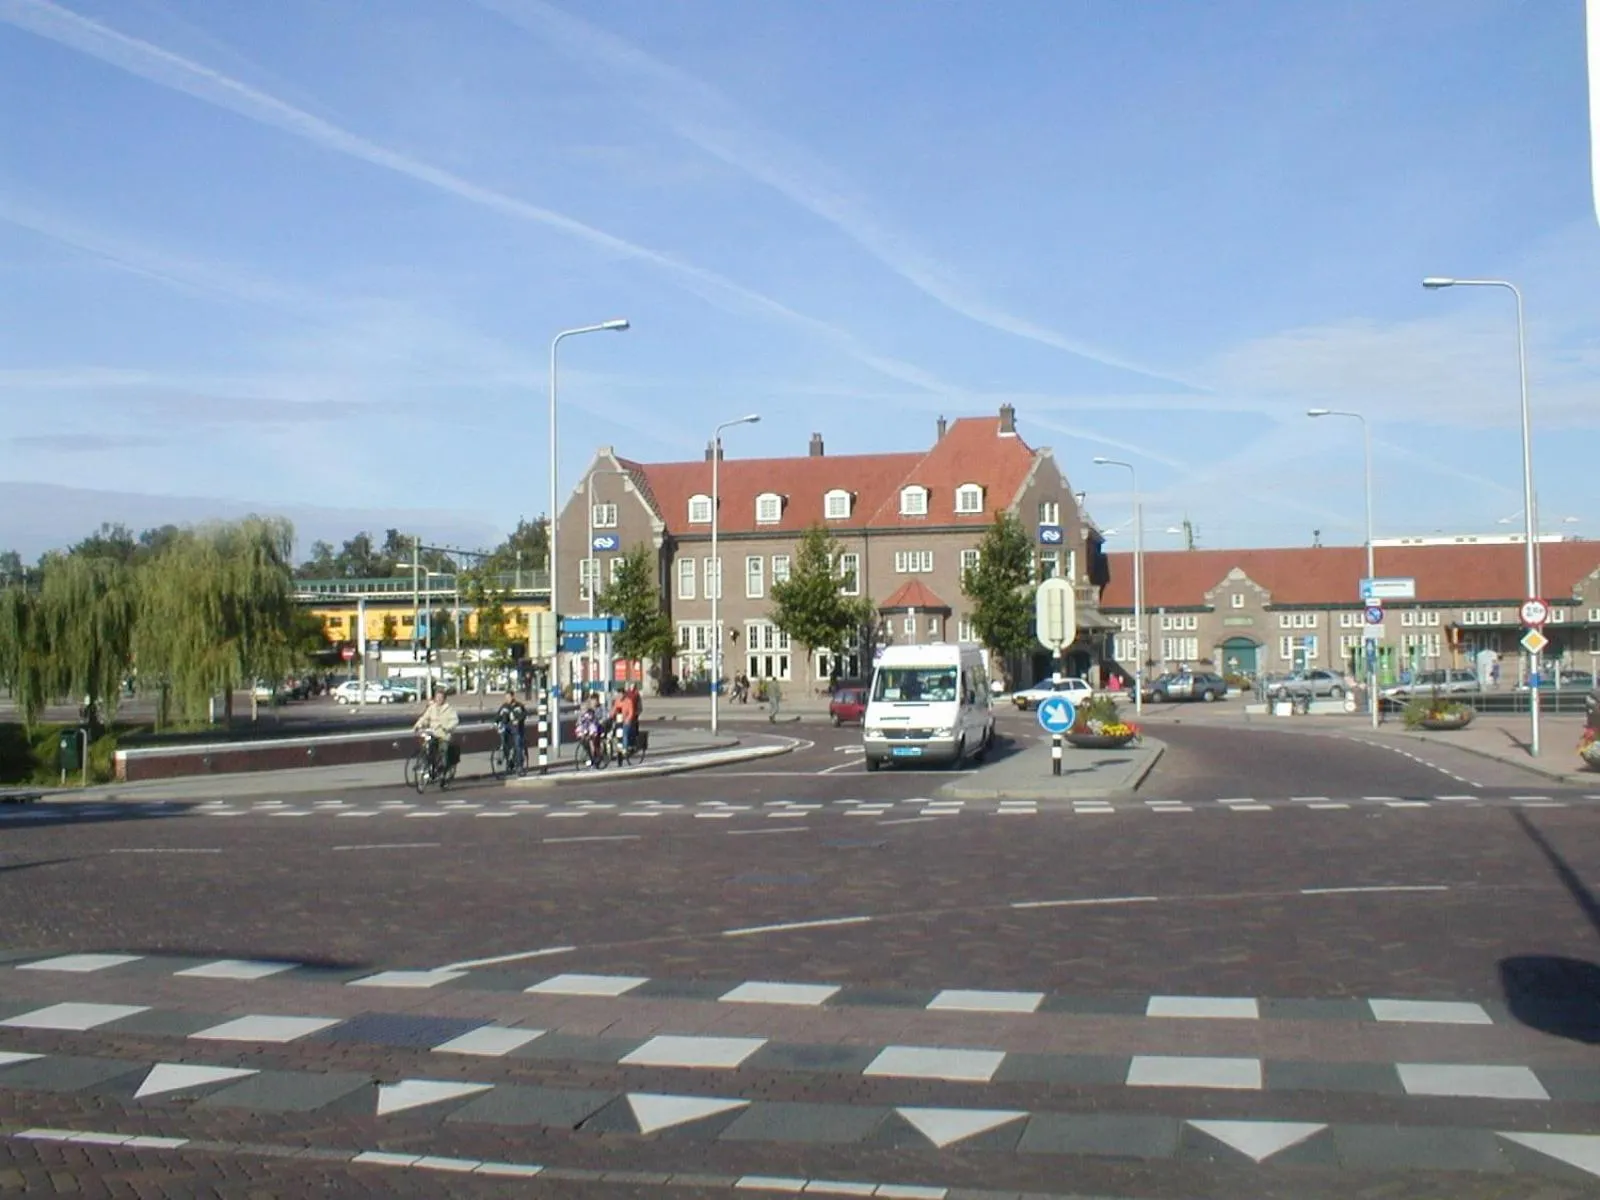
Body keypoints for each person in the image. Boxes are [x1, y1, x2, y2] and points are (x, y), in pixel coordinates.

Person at [412, 686, 460, 775]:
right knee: (427, 746)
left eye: (440, 698)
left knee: (443, 750)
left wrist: (446, 727)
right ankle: (425, 764)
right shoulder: (432, 708)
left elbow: (455, 721)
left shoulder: (449, 709)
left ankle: (443, 769)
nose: (438, 700)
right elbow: (425, 718)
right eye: (437, 698)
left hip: (444, 735)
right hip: (433, 733)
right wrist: (418, 725)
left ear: (444, 699)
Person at [494, 690, 527, 773]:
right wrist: (495, 722)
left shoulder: (519, 706)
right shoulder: (504, 706)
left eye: (508, 697)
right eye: (506, 697)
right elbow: (498, 716)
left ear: (513, 697)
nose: (507, 699)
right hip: (507, 728)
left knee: (517, 745)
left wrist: (518, 720)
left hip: (517, 728)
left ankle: (519, 766)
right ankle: (508, 760)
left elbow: (524, 714)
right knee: (504, 741)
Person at [575, 694, 604, 766]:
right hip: (587, 728)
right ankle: (590, 756)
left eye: (596, 701)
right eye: (593, 700)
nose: (594, 702)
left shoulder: (600, 708)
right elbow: (581, 719)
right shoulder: (587, 710)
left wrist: (600, 721)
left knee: (593, 740)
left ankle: (595, 756)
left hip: (597, 727)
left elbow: (602, 718)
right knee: (584, 740)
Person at [610, 686, 638, 755]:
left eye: (621, 694)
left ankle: (625, 748)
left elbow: (631, 712)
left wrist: (628, 719)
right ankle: (617, 748)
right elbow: (614, 710)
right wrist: (610, 716)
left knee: (624, 733)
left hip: (627, 721)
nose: (619, 696)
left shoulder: (629, 701)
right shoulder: (617, 701)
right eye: (618, 694)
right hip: (619, 721)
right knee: (614, 733)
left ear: (624, 694)